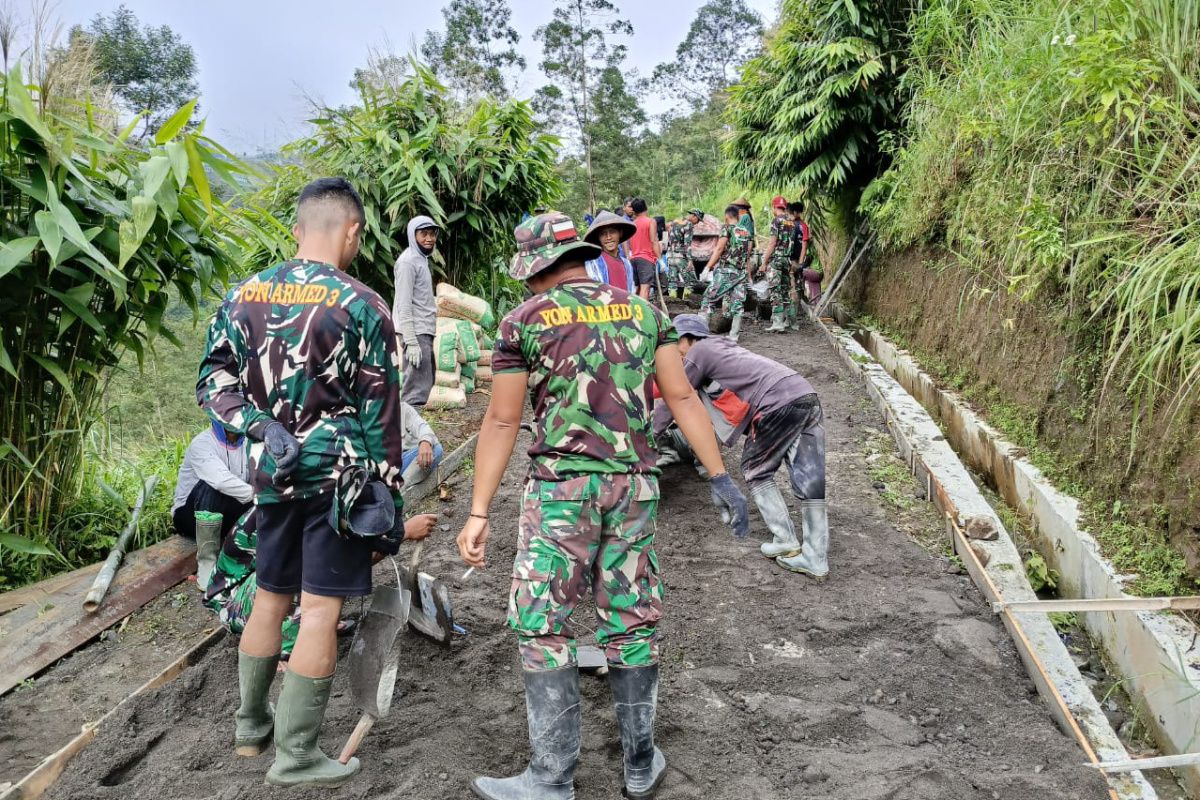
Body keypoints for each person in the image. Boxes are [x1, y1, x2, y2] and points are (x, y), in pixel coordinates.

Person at [456, 212, 749, 800]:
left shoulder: (523, 322)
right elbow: (682, 396)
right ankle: (640, 764)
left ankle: (552, 775)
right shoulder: (644, 313)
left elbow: (503, 419)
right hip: (634, 488)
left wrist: (479, 510)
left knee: (542, 623)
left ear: (537, 266)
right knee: (631, 618)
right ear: (582, 255)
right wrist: (720, 476)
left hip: (562, 494)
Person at [198, 177, 418, 788]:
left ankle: (251, 729)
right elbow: (381, 415)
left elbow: (212, 382)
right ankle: (296, 756)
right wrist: (389, 502)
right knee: (319, 610)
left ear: (297, 230)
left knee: (270, 593)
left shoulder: (243, 294)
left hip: (273, 474)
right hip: (338, 481)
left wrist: (259, 426)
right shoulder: (361, 304)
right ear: (352, 231)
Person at [654, 314, 829, 578]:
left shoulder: (696, 353)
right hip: (804, 392)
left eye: (673, 345)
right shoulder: (724, 347)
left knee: (756, 468)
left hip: (776, 401)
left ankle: (785, 540)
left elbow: (673, 399)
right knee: (810, 476)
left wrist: (647, 436)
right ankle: (816, 557)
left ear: (686, 339)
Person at [204, 508, 438, 661]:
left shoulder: (326, 505)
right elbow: (332, 566)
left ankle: (312, 625)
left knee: (330, 567)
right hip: (236, 600)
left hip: (266, 587)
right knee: (313, 572)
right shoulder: (286, 509)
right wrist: (404, 532)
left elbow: (354, 557)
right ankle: (280, 651)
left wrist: (393, 535)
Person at [171, 421, 254, 589]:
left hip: (224, 514)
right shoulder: (202, 444)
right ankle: (207, 564)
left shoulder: (249, 443)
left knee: (260, 485)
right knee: (212, 486)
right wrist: (262, 495)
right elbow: (220, 481)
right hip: (189, 517)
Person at [393, 215, 440, 406]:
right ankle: (408, 432)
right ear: (413, 236)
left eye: (432, 234)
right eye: (423, 234)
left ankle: (413, 429)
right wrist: (411, 342)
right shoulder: (408, 262)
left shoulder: (421, 259)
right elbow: (403, 304)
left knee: (424, 383)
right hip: (415, 331)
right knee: (415, 391)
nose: (429, 239)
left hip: (423, 330)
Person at [698, 205, 754, 342]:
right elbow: (747, 255)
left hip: (726, 271)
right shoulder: (745, 232)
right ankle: (734, 336)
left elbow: (719, 248)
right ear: (738, 216)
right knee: (738, 305)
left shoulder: (727, 228)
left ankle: (699, 333)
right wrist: (748, 275)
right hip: (740, 273)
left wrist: (707, 267)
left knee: (708, 299)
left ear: (726, 216)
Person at [761, 195, 796, 333]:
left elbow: (772, 243)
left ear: (774, 207)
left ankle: (777, 323)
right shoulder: (791, 222)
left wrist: (764, 262)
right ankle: (791, 322)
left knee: (775, 291)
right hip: (787, 260)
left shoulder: (776, 221)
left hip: (776, 260)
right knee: (785, 290)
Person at [584, 210, 637, 294]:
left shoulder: (626, 264)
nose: (608, 237)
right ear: (598, 238)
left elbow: (631, 291)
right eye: (603, 234)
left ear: (620, 233)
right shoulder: (593, 264)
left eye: (612, 232)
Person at [400, 401, 443, 485]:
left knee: (436, 450)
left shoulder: (402, 408)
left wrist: (425, 442)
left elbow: (422, 426)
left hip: (401, 462)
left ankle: (401, 487)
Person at [627, 198, 661, 300]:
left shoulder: (632, 224)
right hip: (646, 258)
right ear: (646, 208)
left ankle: (634, 311)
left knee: (636, 288)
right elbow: (654, 241)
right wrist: (660, 259)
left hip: (633, 258)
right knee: (645, 288)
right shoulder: (650, 221)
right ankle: (642, 314)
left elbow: (629, 244)